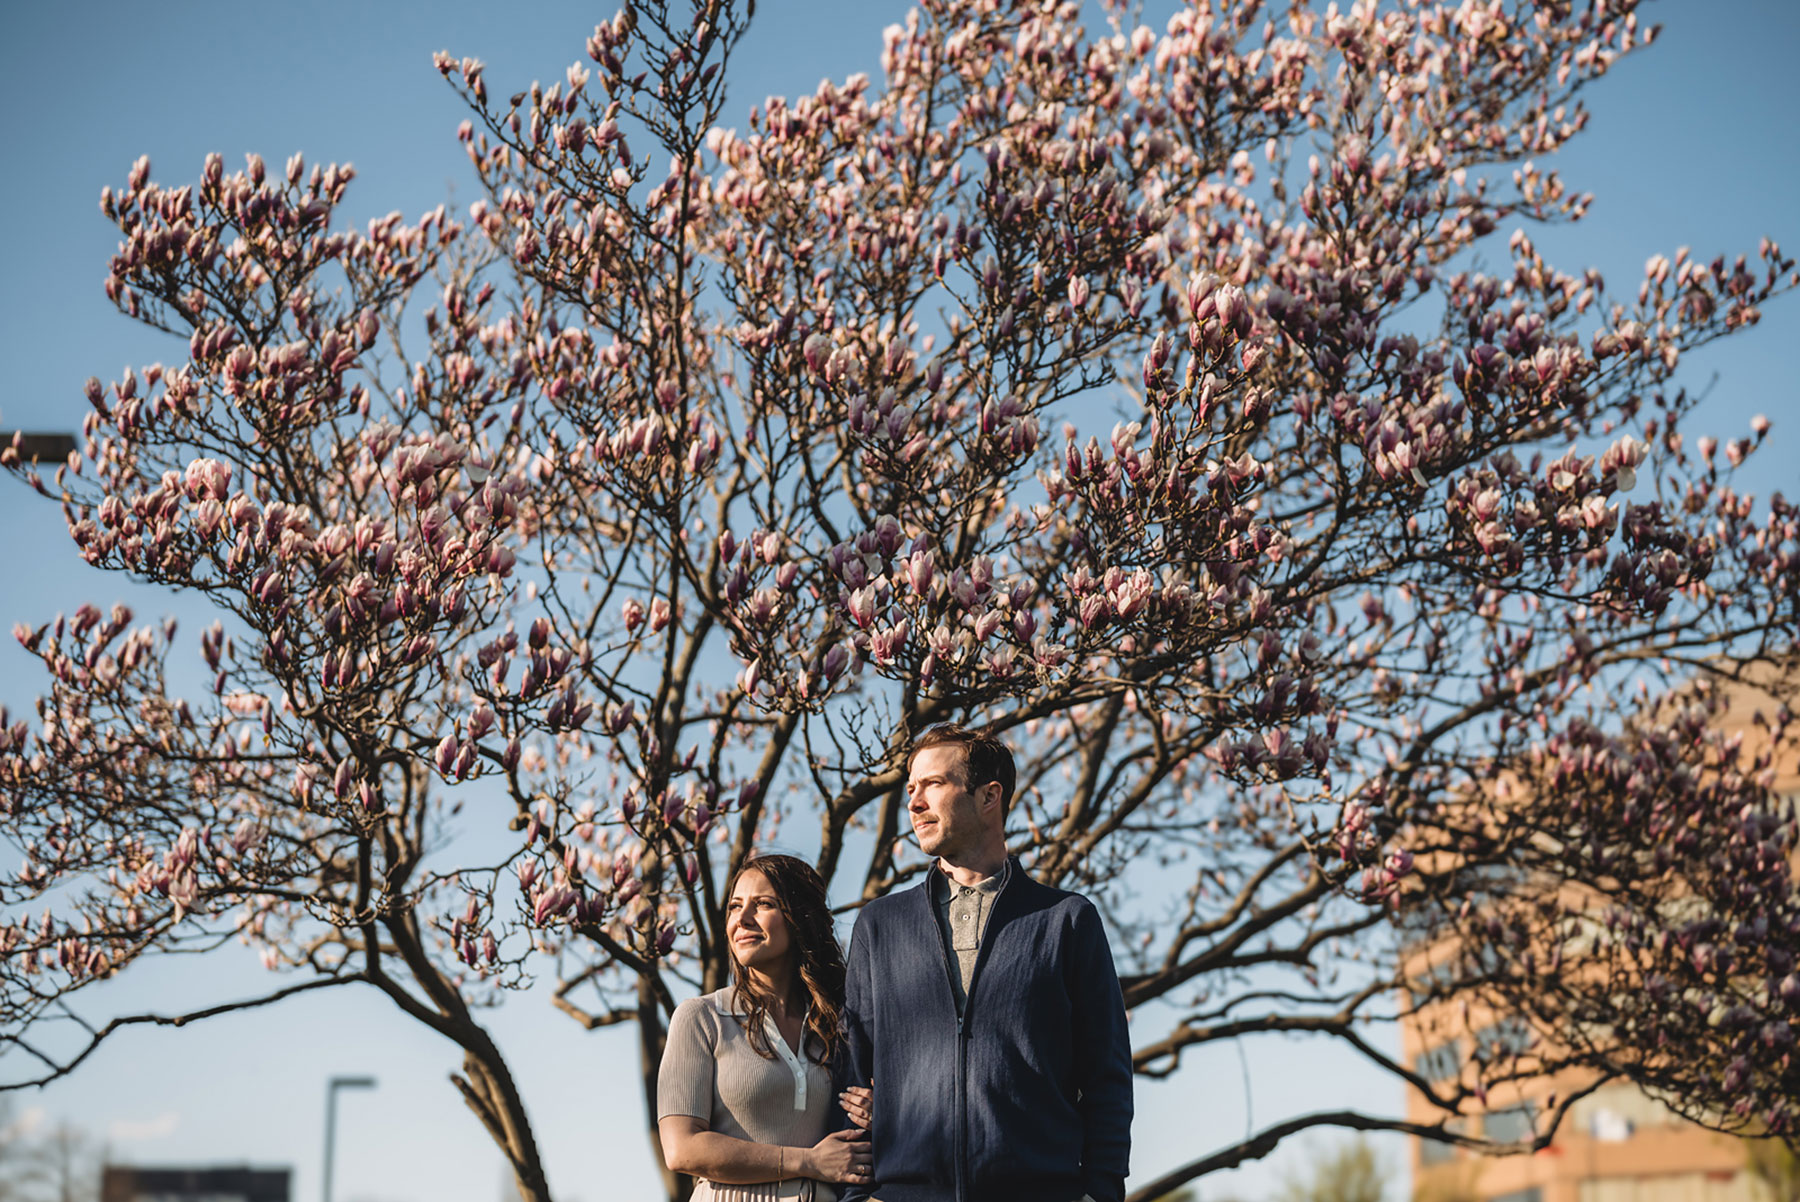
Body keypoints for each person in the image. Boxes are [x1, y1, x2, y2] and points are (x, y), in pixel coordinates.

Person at [838, 724, 1133, 1202]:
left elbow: (1108, 1075)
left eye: (933, 785)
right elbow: (851, 1076)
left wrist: (1100, 1192)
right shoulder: (879, 925)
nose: (913, 804)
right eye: (911, 789)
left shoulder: (1066, 921)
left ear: (989, 796)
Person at [659, 853, 874, 1200]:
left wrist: (879, 1111)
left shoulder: (836, 1025)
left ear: (799, 917)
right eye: (734, 906)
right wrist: (808, 1162)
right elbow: (682, 1149)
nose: (741, 919)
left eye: (762, 905)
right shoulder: (700, 1018)